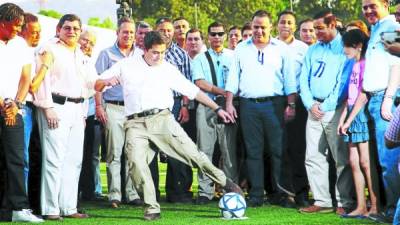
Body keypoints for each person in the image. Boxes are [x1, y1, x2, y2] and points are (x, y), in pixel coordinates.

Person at [95, 31, 242, 221]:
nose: (159, 57)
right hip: (134, 124)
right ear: (144, 50)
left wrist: (217, 109)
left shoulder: (168, 69)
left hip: (163, 120)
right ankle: (152, 207)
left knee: (193, 155)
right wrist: (106, 82)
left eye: (163, 52)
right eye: (155, 52)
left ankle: (225, 182)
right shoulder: (125, 65)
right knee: (136, 164)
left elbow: (194, 91)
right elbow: (97, 84)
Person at [33, 14, 106, 220]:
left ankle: (69, 207)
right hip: (55, 106)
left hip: (77, 110)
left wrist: (112, 79)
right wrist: (47, 108)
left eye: (76, 28)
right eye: (67, 28)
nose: (72, 31)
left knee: (74, 160)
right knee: (54, 159)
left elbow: (93, 83)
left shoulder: (81, 54)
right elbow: (41, 81)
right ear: (58, 29)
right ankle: (51, 209)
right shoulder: (48, 49)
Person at [225, 9, 297, 207]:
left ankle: (283, 194)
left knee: (278, 150)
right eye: (255, 27)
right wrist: (230, 103)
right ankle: (256, 194)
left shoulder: (281, 48)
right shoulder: (241, 48)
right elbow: (233, 79)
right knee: (253, 151)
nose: (258, 31)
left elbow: (290, 79)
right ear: (251, 25)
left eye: (263, 27)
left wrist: (291, 104)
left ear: (270, 27)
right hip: (249, 106)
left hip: (275, 104)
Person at [298, 10, 354, 214]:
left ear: (333, 25)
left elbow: (343, 83)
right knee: (313, 156)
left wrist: (326, 106)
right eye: (314, 29)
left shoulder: (344, 48)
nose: (316, 32)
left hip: (335, 109)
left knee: (340, 158)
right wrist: (309, 103)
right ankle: (322, 201)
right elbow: (303, 78)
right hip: (312, 108)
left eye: (320, 28)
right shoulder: (312, 50)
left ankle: (343, 202)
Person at [0, 3, 43, 222]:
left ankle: (18, 209)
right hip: (3, 105)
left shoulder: (21, 46)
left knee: (16, 159)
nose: (19, 30)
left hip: (14, 109)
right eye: (16, 26)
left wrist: (15, 104)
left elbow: (26, 77)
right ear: (3, 23)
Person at [95, 17, 142, 208]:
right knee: (114, 153)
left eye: (132, 32)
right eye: (125, 32)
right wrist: (98, 106)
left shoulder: (140, 55)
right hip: (113, 107)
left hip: (134, 109)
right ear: (117, 32)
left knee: (132, 153)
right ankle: (114, 195)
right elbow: (96, 83)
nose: (128, 35)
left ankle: (131, 193)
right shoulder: (106, 54)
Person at [192, 22, 238, 204]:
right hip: (206, 106)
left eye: (220, 34)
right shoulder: (200, 59)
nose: (217, 37)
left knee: (229, 150)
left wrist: (229, 98)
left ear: (225, 36)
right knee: (205, 150)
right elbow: (200, 83)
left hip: (229, 106)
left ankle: (231, 189)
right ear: (208, 36)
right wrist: (225, 92)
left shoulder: (233, 56)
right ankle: (205, 192)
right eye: (213, 34)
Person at [337, 29, 377, 218]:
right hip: (352, 115)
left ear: (358, 46)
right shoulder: (353, 64)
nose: (344, 50)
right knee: (354, 162)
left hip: (361, 116)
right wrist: (343, 118)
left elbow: (363, 95)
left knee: (365, 162)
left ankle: (375, 206)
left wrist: (349, 119)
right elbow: (350, 97)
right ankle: (361, 205)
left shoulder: (366, 65)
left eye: (347, 46)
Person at [156, 17, 193, 203]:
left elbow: (187, 83)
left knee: (177, 147)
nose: (166, 32)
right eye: (162, 29)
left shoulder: (181, 54)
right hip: (155, 104)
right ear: (156, 31)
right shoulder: (148, 53)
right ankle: (152, 192)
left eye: (169, 30)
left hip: (177, 103)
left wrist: (185, 106)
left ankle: (178, 191)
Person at [276, 10, 309, 207]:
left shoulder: (303, 48)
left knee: (298, 149)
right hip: (275, 102)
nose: (286, 25)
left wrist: (293, 104)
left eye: (289, 22)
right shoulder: (270, 46)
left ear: (294, 26)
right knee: (279, 149)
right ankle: (283, 192)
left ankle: (301, 192)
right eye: (282, 22)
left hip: (298, 102)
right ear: (277, 25)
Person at [77, 29, 104, 201]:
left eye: (91, 43)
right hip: (72, 113)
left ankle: (89, 191)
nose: (87, 45)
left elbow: (96, 87)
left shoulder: (89, 62)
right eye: (85, 40)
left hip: (89, 115)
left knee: (89, 155)